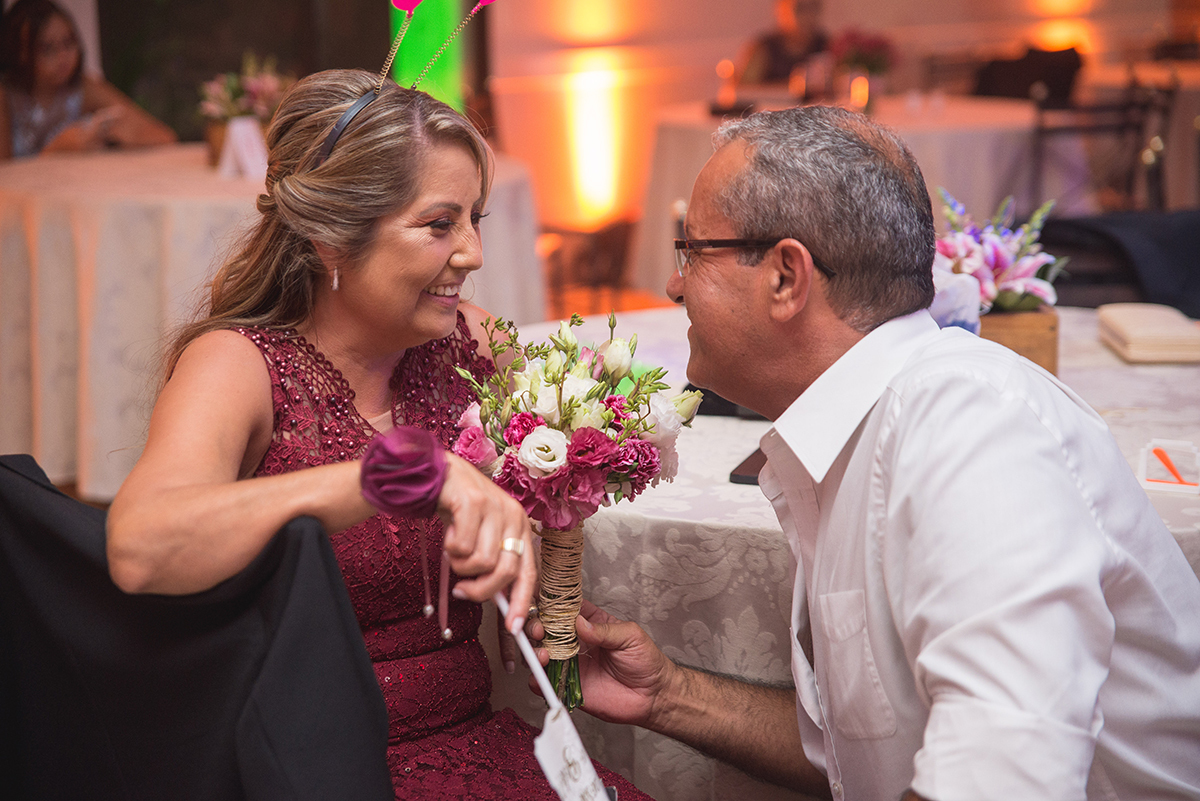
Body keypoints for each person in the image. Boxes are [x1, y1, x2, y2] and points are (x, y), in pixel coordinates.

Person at [537, 105, 1200, 800]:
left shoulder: (970, 427)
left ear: (786, 277)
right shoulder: (860, 429)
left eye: (692, 251)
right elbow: (866, 760)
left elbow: (1002, 781)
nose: (673, 285)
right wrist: (666, 694)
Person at [106, 69, 650, 800]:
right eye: (438, 224)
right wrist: (384, 476)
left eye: (475, 220)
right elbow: (139, 548)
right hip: (311, 768)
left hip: (476, 741)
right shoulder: (239, 365)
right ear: (332, 237)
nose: (473, 254)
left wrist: (544, 583)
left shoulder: (468, 345)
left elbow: (585, 429)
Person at [0, 0, 176, 159]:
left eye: (68, 43)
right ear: (20, 52)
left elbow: (164, 136)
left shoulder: (83, 88)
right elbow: (5, 175)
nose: (63, 57)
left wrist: (122, 135)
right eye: (48, 48)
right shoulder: (6, 96)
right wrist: (55, 150)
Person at [737, 0, 828, 87]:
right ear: (782, 10)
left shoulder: (826, 46)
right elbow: (741, 88)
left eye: (813, 7)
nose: (808, 15)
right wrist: (793, 87)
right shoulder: (764, 47)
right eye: (800, 8)